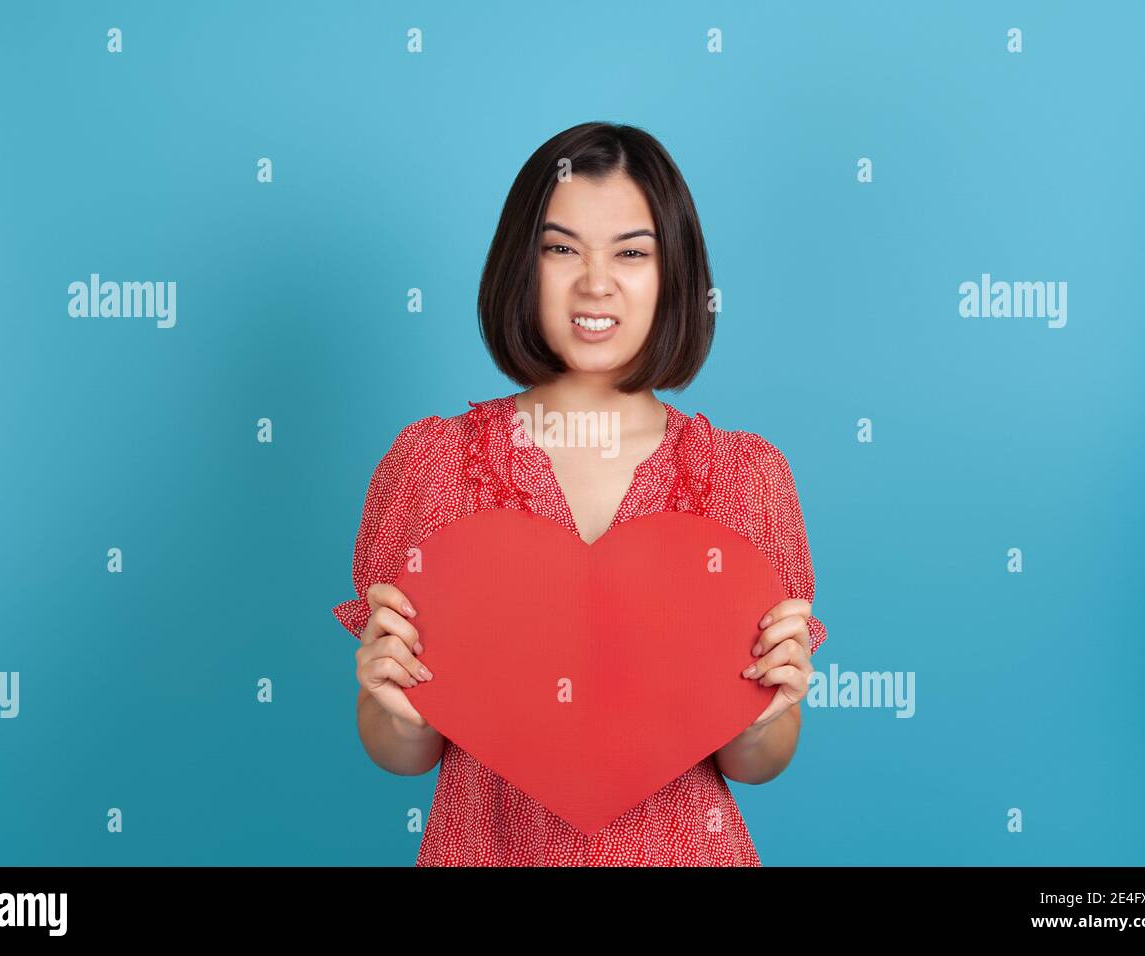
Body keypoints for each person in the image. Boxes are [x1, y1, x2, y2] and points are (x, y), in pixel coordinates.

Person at [333, 121, 828, 865]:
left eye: (632, 252)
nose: (596, 283)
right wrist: (394, 709)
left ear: (676, 276)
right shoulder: (432, 466)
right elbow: (405, 750)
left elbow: (755, 763)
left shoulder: (744, 479)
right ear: (519, 266)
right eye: (561, 249)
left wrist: (764, 717)